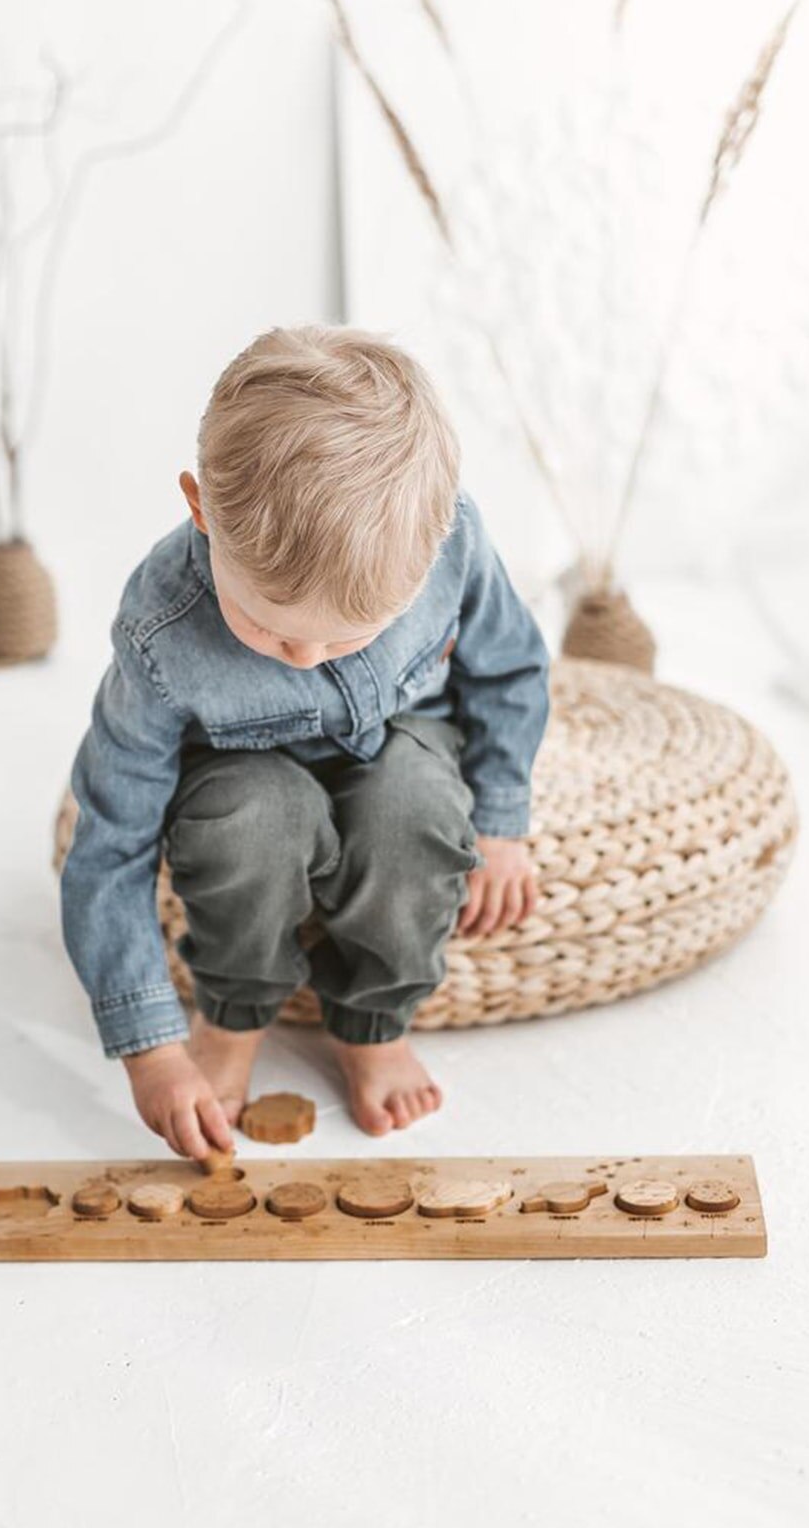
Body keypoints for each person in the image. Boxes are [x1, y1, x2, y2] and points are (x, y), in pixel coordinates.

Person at [60, 325, 550, 1158]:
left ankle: (371, 1023)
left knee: (416, 811)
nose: (307, 656)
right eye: (269, 627)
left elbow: (508, 671)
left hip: (404, 736)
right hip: (241, 770)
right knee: (251, 820)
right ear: (201, 510)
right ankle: (235, 1014)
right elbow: (110, 844)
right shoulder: (160, 632)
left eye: (352, 635)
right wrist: (149, 1051)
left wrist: (502, 824)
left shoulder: (453, 538)